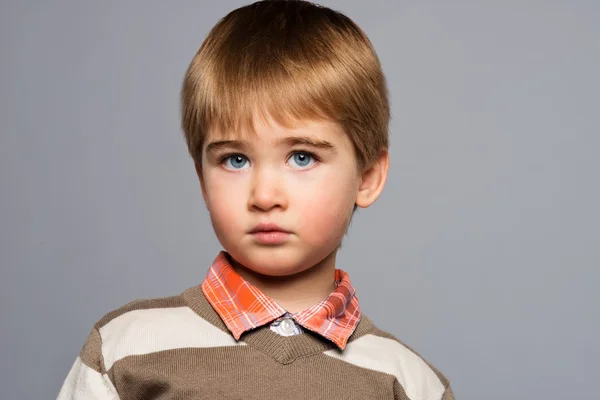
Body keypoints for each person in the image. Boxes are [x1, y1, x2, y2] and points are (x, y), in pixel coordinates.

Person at [57, 1, 453, 398]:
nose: (264, 196)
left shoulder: (409, 383)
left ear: (367, 176)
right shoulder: (127, 350)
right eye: (236, 160)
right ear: (202, 179)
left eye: (302, 157)